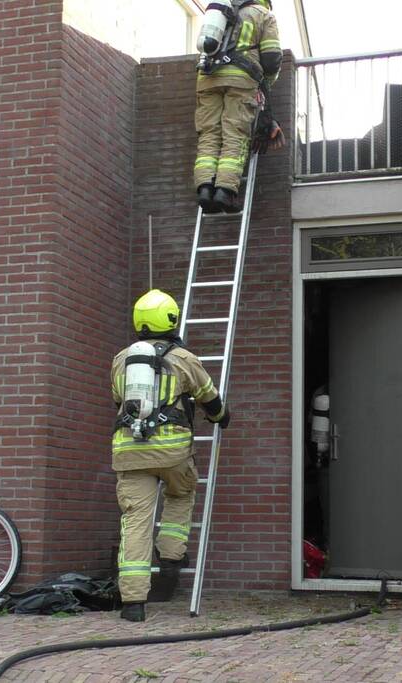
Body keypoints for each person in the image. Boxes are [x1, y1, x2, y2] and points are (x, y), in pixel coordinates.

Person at [109, 289, 231, 622]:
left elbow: (118, 399)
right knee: (180, 494)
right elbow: (209, 396)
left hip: (129, 453)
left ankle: (133, 604)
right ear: (172, 318)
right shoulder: (183, 358)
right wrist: (222, 417)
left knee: (135, 522)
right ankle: (172, 559)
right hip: (172, 451)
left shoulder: (121, 360)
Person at [194, 0, 283, 214]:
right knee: (235, 133)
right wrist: (266, 83)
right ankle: (225, 192)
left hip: (207, 78)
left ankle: (205, 188)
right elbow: (271, 59)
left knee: (209, 133)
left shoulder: (221, 10)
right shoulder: (263, 14)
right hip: (241, 79)